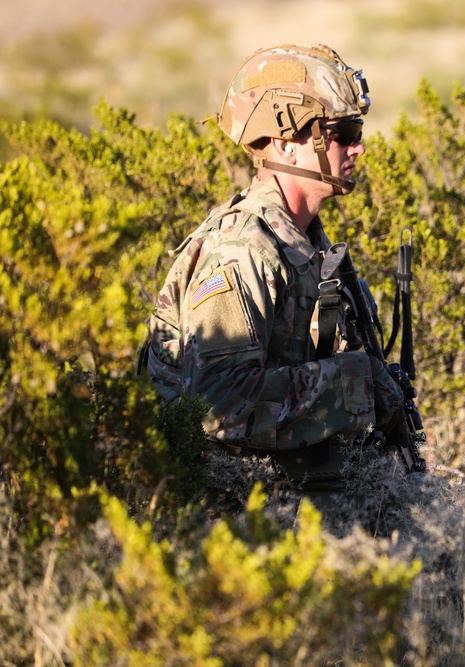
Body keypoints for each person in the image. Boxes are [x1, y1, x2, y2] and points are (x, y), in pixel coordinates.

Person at [140, 43, 407, 508]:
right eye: (344, 132)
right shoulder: (244, 251)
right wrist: (354, 384)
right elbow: (216, 401)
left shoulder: (305, 242)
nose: (358, 146)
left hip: (284, 496)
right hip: (230, 514)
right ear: (286, 143)